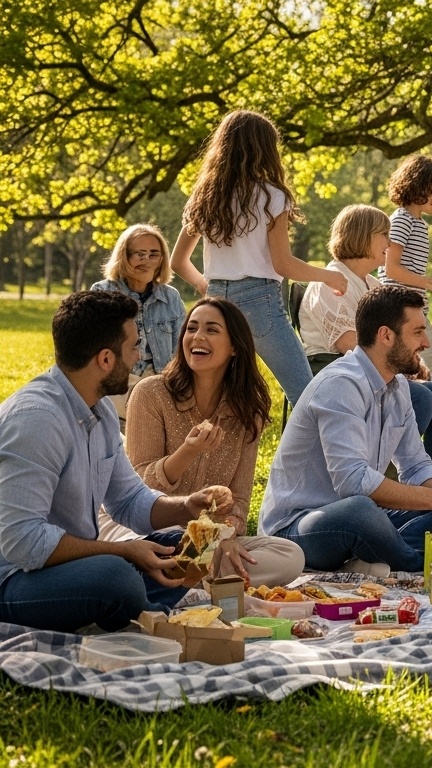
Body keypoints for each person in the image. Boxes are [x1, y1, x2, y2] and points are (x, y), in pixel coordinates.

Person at [0, 291, 233, 632]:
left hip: (70, 568)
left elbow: (128, 501)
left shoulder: (101, 410)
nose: (138, 357)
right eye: (134, 347)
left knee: (186, 548)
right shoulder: (37, 420)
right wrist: (121, 552)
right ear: (106, 359)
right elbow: (24, 542)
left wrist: (186, 507)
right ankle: (143, 612)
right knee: (115, 577)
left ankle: (132, 609)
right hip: (13, 579)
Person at [259, 285, 432, 575]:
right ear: (386, 336)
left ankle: (373, 557)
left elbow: (416, 465)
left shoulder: (397, 385)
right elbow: (353, 481)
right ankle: (415, 565)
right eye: (418, 332)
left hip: (360, 518)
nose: (426, 342)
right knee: (361, 512)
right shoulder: (341, 384)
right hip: (296, 528)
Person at [97, 298, 304, 594]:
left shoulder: (248, 412)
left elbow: (239, 500)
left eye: (211, 330)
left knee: (291, 556)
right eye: (191, 328)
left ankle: (186, 580)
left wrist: (225, 535)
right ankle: (197, 579)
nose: (197, 337)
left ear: (235, 347)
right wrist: (188, 451)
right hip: (142, 528)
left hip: (207, 539)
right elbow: (137, 491)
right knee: (176, 542)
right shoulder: (151, 394)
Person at [170, 110, 348, 407]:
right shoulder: (272, 197)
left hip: (214, 303)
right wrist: (328, 276)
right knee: (306, 395)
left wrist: (207, 288)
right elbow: (284, 264)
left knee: (215, 398)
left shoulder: (204, 197)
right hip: (259, 305)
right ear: (265, 150)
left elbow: (178, 262)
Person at [299, 204, 432, 472]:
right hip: (339, 373)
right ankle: (384, 478)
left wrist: (409, 362)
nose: (389, 243)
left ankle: (429, 480)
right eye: (384, 235)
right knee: (420, 398)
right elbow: (348, 344)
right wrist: (400, 366)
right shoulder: (330, 282)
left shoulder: (373, 285)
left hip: (372, 373)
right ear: (363, 235)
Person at [90, 223, 185, 427]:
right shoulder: (102, 293)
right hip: (117, 388)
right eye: (139, 254)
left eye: (154, 254)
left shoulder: (171, 297)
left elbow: (181, 352)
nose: (147, 260)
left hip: (160, 388)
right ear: (124, 256)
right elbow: (93, 351)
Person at [379, 154, 432, 374]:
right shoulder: (402, 219)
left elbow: (411, 272)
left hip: (415, 311)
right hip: (401, 312)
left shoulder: (419, 224)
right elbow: (391, 269)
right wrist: (429, 283)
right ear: (417, 185)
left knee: (429, 374)